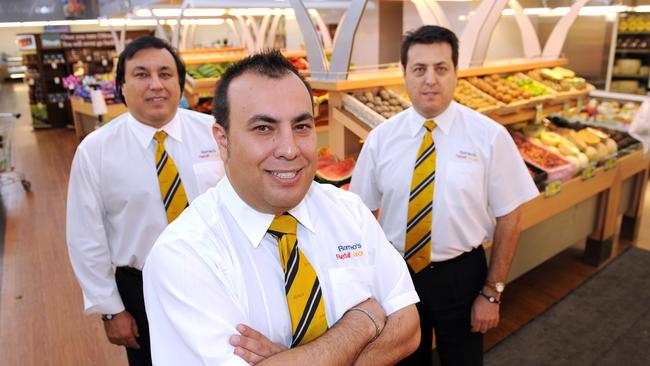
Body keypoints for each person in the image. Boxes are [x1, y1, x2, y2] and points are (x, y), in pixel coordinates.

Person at [143, 50, 421, 365]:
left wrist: (298, 359)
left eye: (302, 126)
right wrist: (361, 321)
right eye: (264, 128)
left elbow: (408, 326)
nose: (289, 149)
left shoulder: (349, 211)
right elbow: (384, 322)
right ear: (222, 140)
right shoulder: (184, 254)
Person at [349, 25, 539, 365]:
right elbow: (362, 215)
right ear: (404, 74)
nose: (430, 80)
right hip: (398, 275)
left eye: (441, 68)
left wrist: (492, 293)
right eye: (419, 69)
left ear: (455, 73)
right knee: (404, 361)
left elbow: (510, 215)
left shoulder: (489, 136)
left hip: (463, 277)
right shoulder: (380, 139)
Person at [66, 36, 224, 366]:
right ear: (121, 86)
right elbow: (85, 238)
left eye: (166, 74)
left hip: (221, 275)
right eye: (141, 74)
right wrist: (111, 310)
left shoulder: (216, 133)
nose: (156, 84)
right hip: (142, 288)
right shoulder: (96, 151)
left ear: (180, 83)